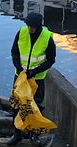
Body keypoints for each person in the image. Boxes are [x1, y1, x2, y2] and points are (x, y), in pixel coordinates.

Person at [7, 12, 57, 145]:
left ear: (39, 26)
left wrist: (34, 72)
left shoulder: (47, 38)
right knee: (17, 105)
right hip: (20, 77)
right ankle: (17, 134)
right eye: (28, 26)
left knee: (36, 107)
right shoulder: (22, 32)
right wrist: (18, 67)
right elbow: (14, 52)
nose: (30, 29)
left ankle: (35, 136)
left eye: (32, 26)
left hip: (37, 79)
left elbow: (51, 60)